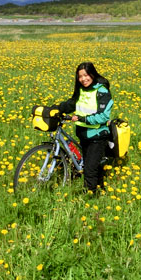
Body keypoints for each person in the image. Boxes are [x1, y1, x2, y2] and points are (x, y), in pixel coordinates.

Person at [57, 62, 113, 194]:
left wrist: (84, 118)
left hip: (98, 135)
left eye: (86, 75)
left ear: (92, 74)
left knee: (89, 169)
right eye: (80, 76)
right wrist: (55, 109)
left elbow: (104, 116)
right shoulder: (81, 89)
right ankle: (100, 190)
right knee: (93, 165)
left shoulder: (102, 91)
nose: (83, 79)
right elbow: (72, 104)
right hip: (83, 134)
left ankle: (90, 198)